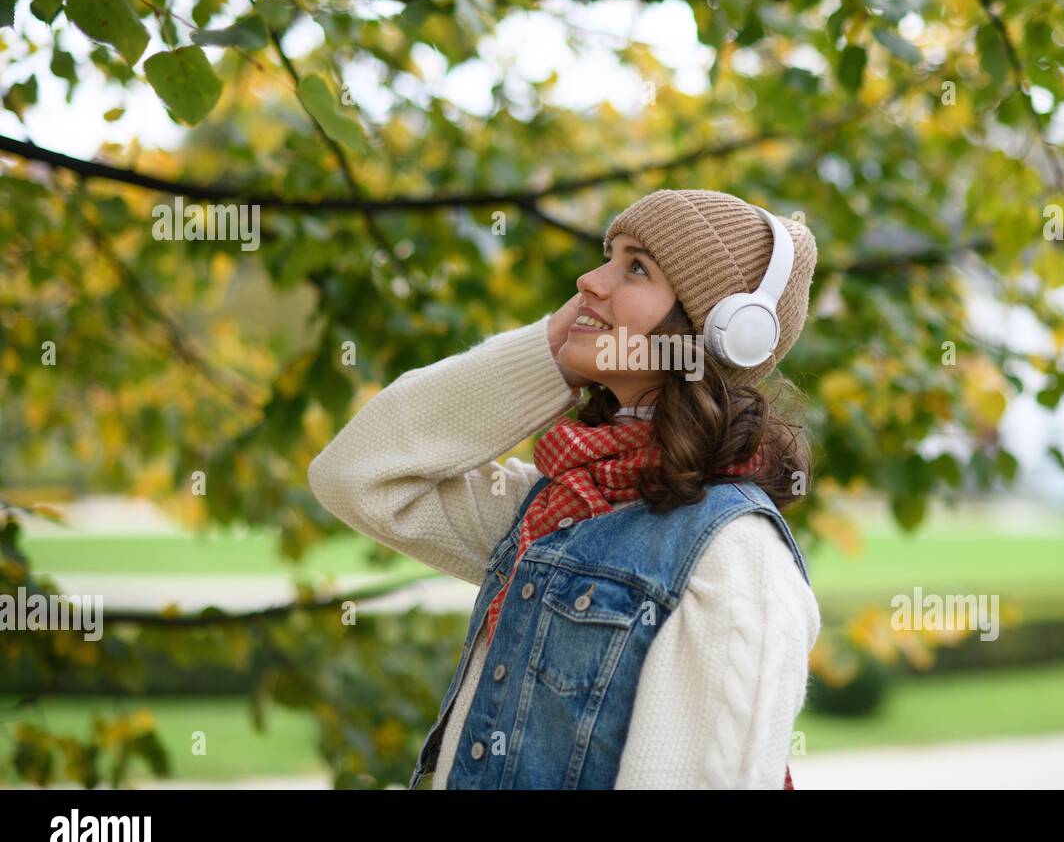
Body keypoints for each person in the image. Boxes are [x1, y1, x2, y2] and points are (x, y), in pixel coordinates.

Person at [308, 188, 821, 789]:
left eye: (636, 268)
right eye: (608, 256)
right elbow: (355, 472)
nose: (589, 280)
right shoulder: (556, 509)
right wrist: (548, 354)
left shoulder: (735, 558)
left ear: (721, 332)